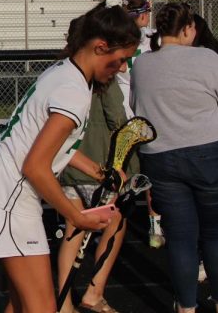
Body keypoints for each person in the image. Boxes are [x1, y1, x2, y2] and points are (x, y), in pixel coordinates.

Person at [0, 0, 139, 313]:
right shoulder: (73, 91)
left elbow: (52, 147)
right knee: (43, 308)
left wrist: (102, 173)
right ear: (100, 47)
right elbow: (35, 166)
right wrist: (76, 216)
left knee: (22, 302)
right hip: (10, 199)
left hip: (4, 193)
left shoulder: (66, 73)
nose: (121, 69)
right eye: (119, 60)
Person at [131, 2, 218, 313]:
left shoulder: (142, 64)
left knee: (181, 240)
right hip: (210, 153)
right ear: (187, 29)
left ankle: (186, 308)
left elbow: (137, 108)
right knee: (217, 235)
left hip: (161, 157)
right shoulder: (207, 57)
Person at [56, 75, 138, 313]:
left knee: (73, 230)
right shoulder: (104, 79)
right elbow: (118, 120)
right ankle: (94, 292)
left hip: (68, 163)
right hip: (99, 164)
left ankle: (64, 302)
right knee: (115, 224)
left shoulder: (60, 76)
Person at [113, 0, 164, 249]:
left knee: (122, 172)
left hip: (125, 116)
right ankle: (152, 223)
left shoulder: (118, 36)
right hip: (143, 115)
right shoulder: (153, 40)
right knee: (147, 173)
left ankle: (118, 221)